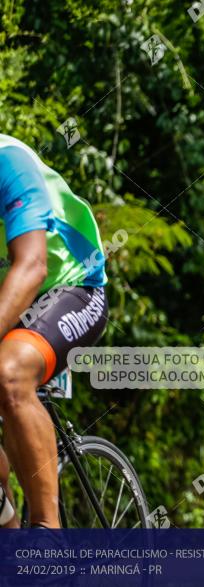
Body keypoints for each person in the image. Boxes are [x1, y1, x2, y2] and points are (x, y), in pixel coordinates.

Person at [0, 134, 108, 528]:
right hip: (8, 291)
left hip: (72, 286)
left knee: (8, 373)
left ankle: (47, 531)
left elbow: (32, 267)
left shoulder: (8, 161)